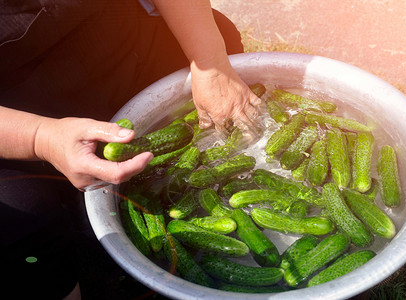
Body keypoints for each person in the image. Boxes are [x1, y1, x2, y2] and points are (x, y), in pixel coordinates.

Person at [0, 0, 261, 299]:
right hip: (12, 122)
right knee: (21, 224)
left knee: (218, 34)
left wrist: (210, 64)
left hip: (110, 39)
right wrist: (39, 137)